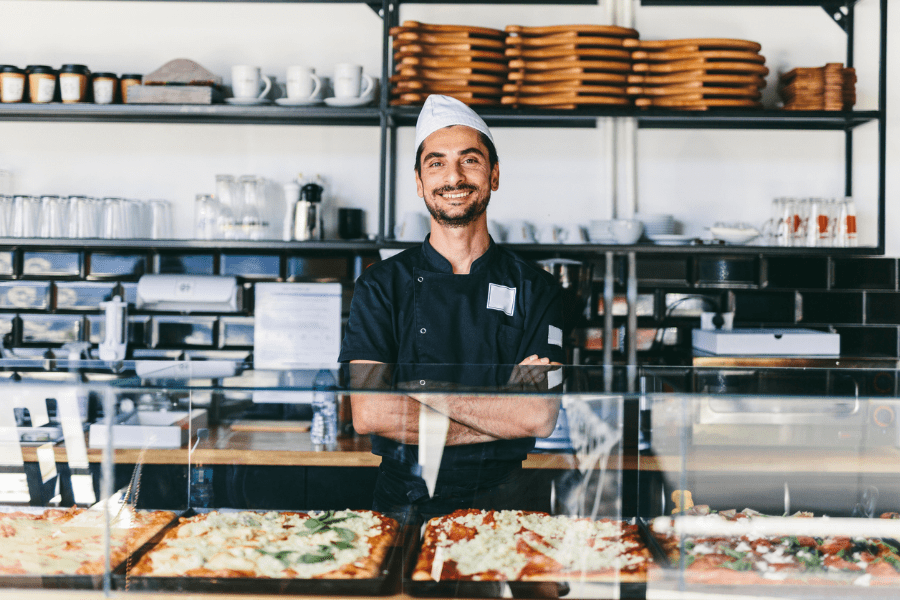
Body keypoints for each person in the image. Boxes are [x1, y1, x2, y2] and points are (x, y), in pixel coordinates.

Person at [338, 94, 564, 516]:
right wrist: (500, 414)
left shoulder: (539, 289)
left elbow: (538, 417)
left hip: (508, 501)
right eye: (437, 163)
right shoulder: (380, 286)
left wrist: (424, 393)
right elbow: (368, 412)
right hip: (404, 500)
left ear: (494, 175)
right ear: (420, 183)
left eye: (470, 160)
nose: (453, 177)